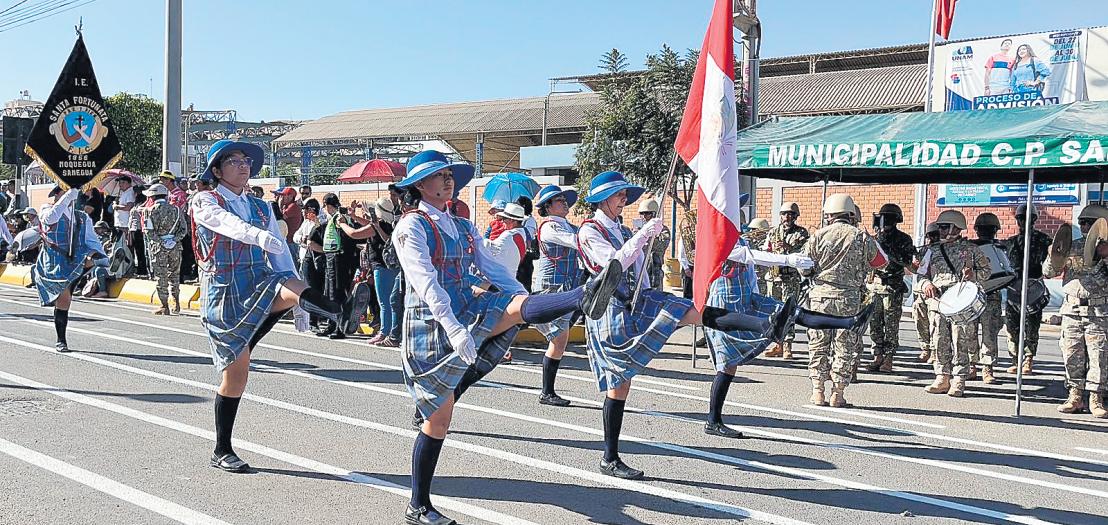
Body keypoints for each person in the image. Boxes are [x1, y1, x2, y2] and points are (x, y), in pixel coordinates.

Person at [393, 151, 620, 525]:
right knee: (439, 421)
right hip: (429, 323)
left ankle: (584, 295)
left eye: (450, 174)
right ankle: (418, 505)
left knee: (513, 307)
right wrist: (453, 328)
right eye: (439, 175)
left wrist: (525, 300)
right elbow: (425, 282)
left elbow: (494, 270)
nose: (448, 179)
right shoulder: (411, 226)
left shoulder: (462, 226)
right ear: (420, 185)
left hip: (467, 304)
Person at [577, 171, 788, 478]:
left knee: (694, 311)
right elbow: (614, 264)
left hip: (637, 300)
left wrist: (647, 292)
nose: (624, 199)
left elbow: (639, 268)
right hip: (608, 308)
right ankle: (609, 457)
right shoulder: (589, 231)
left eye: (624, 195)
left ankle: (766, 325)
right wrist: (643, 235)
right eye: (619, 195)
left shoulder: (621, 229)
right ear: (602, 199)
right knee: (619, 385)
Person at [191, 139, 342, 474]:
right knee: (236, 377)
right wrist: (257, 236)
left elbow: (281, 255)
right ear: (217, 170)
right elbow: (223, 222)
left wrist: (299, 303)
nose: (243, 165)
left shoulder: (260, 207)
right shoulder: (205, 200)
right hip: (225, 291)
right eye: (233, 160)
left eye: (246, 160)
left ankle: (333, 310)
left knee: (286, 281)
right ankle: (222, 449)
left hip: (259, 280)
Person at [703, 214, 816, 437]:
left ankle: (848, 322)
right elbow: (748, 256)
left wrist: (754, 296)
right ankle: (713, 421)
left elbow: (750, 270)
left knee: (730, 365)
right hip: (722, 304)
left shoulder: (738, 239)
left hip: (743, 300)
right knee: (726, 365)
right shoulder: (719, 239)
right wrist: (788, 260)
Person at [801, 194, 886, 407]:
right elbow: (881, 262)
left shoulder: (818, 235)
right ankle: (837, 394)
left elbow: (803, 268)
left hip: (820, 298)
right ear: (850, 214)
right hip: (849, 299)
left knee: (818, 344)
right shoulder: (861, 237)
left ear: (829, 214)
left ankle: (818, 391)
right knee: (844, 346)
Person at [916, 210, 991, 398]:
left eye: (944, 227)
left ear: (956, 228)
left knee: (961, 340)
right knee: (939, 338)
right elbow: (921, 275)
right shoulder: (931, 251)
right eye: (940, 227)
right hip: (938, 301)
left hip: (961, 301)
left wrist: (973, 275)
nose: (940, 230)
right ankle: (942, 376)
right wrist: (926, 284)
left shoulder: (971, 250)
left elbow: (987, 271)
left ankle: (959, 378)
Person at [1045, 205, 1108, 418]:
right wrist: (1053, 255)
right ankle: (1075, 395)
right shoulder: (1072, 246)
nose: (1084, 226)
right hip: (1072, 309)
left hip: (1098, 310)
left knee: (1099, 355)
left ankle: (1096, 398)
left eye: (1089, 223)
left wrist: (1104, 257)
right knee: (1071, 353)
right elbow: (1048, 272)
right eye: (1082, 222)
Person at [33, 186, 108, 352]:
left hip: (76, 259)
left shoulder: (81, 216)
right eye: (63, 192)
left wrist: (103, 255)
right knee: (64, 301)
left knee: (92, 256)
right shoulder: (46, 209)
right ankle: (61, 340)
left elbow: (91, 239)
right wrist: (67, 197)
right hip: (55, 261)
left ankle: (93, 263)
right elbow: (50, 219)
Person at [531, 185, 584, 407]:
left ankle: (548, 391)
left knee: (559, 340)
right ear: (548, 207)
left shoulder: (569, 226)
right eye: (559, 200)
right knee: (558, 340)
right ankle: (547, 392)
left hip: (567, 287)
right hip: (551, 288)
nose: (564, 203)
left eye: (564, 199)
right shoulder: (549, 227)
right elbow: (577, 242)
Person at [864, 204, 916, 373]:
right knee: (875, 323)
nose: (885, 222)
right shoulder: (875, 238)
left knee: (891, 325)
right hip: (875, 286)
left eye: (889, 218)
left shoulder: (903, 239)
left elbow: (906, 261)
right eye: (883, 218)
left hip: (892, 287)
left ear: (896, 221)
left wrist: (886, 249)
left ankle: (889, 358)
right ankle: (877, 355)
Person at [1004, 203, 1051, 375]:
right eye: (1020, 218)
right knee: (1012, 326)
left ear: (1034, 219)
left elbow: (1054, 260)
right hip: (1014, 288)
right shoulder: (1010, 242)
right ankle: (1015, 359)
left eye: (1027, 218)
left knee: (1032, 326)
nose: (1023, 221)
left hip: (1034, 288)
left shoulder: (1044, 240)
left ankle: (1028, 359)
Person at [763, 202, 809, 359]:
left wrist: (789, 247)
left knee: (788, 312)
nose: (787, 217)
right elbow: (766, 249)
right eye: (784, 214)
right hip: (774, 277)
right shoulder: (773, 232)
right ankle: (778, 344)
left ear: (795, 216)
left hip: (790, 278)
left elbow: (805, 253)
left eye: (790, 214)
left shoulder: (801, 233)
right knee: (775, 312)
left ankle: (788, 345)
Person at [970, 212, 1011, 384]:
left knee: (990, 333)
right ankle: (971, 365)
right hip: (972, 295)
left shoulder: (1001, 247)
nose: (985, 233)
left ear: (995, 231)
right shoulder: (969, 247)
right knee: (969, 332)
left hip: (992, 294)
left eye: (989, 230)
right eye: (982, 229)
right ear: (977, 230)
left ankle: (987, 368)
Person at [143, 183, 187, 314]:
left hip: (158, 248)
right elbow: (183, 230)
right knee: (175, 274)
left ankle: (164, 306)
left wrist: (162, 242)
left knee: (161, 276)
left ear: (152, 197)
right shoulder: (176, 210)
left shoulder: (149, 211)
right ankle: (176, 303)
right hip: (175, 247)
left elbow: (149, 232)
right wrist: (173, 240)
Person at [366, 197, 399, 346]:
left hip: (383, 266)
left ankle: (385, 331)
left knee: (385, 302)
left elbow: (388, 241)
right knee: (391, 301)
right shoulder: (392, 223)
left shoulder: (384, 226)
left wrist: (377, 227)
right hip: (389, 266)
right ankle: (391, 331)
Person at [915, 222, 941, 363]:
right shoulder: (925, 251)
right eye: (931, 236)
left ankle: (935, 350)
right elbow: (920, 272)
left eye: (936, 235)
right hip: (924, 289)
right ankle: (925, 348)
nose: (933, 239)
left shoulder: (945, 249)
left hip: (938, 292)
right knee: (919, 314)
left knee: (934, 320)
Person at [484, 203, 529, 276]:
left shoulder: (508, 235)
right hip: (510, 275)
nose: (502, 221)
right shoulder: (522, 233)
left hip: (499, 277)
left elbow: (487, 247)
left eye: (504, 218)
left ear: (513, 220)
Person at [635, 198, 670, 291]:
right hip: (640, 269)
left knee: (655, 295)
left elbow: (662, 246)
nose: (644, 216)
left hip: (654, 270)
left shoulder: (663, 230)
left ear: (654, 214)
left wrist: (649, 235)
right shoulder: (640, 230)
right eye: (642, 214)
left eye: (647, 213)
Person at [272, 187, 304, 262]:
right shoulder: (286, 206)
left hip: (291, 241)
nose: (281, 197)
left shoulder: (293, 206)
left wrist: (279, 204)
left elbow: (281, 218)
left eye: (283, 195)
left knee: (292, 262)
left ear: (290, 196)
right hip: (287, 239)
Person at [111, 175, 136, 243]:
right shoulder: (124, 192)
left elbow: (129, 207)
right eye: (120, 183)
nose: (120, 185)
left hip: (125, 224)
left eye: (123, 182)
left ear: (129, 183)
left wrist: (117, 206)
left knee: (124, 244)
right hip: (121, 223)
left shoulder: (130, 193)